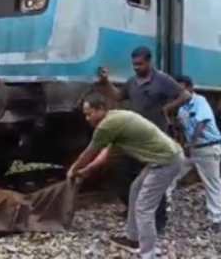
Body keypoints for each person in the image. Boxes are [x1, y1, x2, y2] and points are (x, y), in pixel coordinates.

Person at [68, 93, 185, 259]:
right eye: (85, 114)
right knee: (135, 189)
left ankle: (148, 254)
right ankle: (133, 238)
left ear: (101, 109)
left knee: (144, 208)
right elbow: (105, 153)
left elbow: (89, 153)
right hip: (161, 159)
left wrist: (72, 170)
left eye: (89, 113)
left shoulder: (107, 125)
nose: (87, 118)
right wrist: (87, 170)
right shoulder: (115, 118)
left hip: (167, 161)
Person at [95, 46, 191, 230]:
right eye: (134, 64)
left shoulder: (162, 80)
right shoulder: (132, 82)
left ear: (149, 62)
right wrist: (105, 82)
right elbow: (117, 96)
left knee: (154, 179)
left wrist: (166, 109)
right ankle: (131, 208)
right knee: (121, 171)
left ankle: (159, 221)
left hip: (155, 138)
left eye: (139, 64)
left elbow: (185, 95)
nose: (136, 67)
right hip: (134, 137)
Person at [169, 75, 221, 231]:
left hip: (207, 147)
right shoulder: (181, 109)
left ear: (190, 88)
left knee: (211, 183)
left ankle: (216, 219)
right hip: (191, 150)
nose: (179, 93)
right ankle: (164, 210)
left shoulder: (200, 101)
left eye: (182, 89)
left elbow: (202, 122)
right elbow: (182, 129)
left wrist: (190, 143)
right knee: (170, 174)